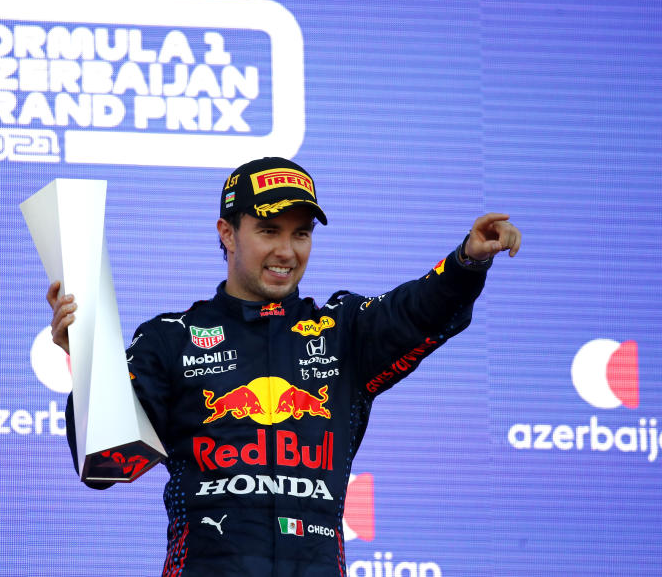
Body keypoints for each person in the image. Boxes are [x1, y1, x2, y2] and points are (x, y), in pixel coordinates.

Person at [46, 157, 521, 576]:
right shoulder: (171, 339)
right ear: (227, 233)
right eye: (269, 230)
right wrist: (87, 363)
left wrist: (466, 263)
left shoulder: (343, 332)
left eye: (301, 233)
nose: (287, 251)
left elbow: (416, 310)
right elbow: (106, 464)